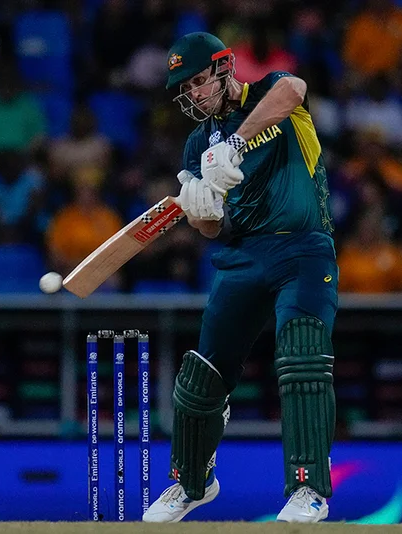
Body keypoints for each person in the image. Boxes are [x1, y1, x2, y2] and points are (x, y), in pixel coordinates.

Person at [143, 32, 337, 523]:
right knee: (201, 375)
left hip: (302, 247)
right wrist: (199, 212)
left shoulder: (273, 93)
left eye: (197, 81)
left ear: (225, 67)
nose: (192, 94)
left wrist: (235, 142)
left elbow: (295, 88)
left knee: (301, 355)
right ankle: (191, 483)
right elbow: (213, 227)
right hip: (243, 257)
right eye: (183, 89)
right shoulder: (195, 146)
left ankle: (308, 488)